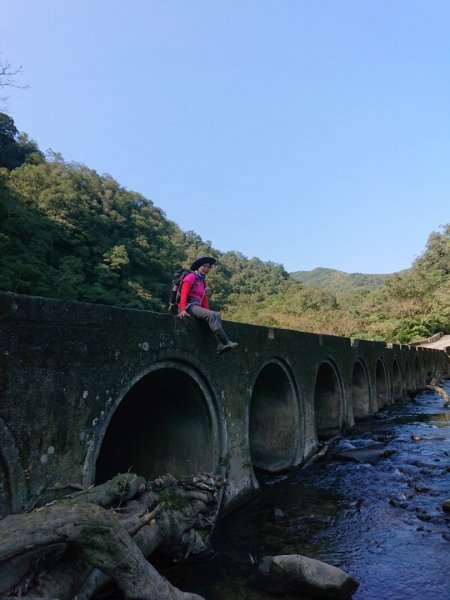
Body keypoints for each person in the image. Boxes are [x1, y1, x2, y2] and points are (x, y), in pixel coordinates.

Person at [178, 255, 238, 355]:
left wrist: (209, 313)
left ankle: (219, 345)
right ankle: (226, 342)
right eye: (204, 266)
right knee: (213, 315)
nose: (206, 269)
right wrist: (182, 309)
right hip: (187, 307)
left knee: (216, 315)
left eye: (208, 267)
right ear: (198, 266)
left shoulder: (202, 282)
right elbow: (183, 294)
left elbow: (204, 300)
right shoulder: (191, 277)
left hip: (196, 307)